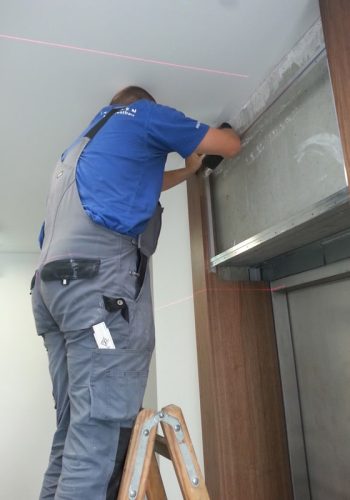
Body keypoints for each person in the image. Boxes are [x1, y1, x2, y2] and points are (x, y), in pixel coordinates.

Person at [31, 85, 240, 500]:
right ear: (144, 106)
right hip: (94, 293)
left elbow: (144, 183)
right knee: (96, 441)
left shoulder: (79, 149)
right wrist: (205, 145)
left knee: (74, 428)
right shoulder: (144, 116)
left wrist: (187, 171)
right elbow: (229, 144)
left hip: (51, 294)